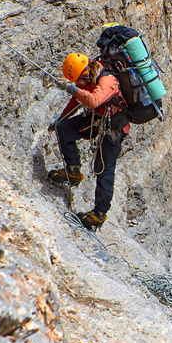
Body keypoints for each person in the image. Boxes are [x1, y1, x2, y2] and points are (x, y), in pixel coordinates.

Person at [48, 51, 130, 230]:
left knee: (104, 167)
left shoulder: (107, 80)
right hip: (99, 119)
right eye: (76, 82)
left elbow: (93, 100)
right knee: (65, 128)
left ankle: (99, 214)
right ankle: (73, 172)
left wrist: (73, 89)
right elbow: (77, 99)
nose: (78, 85)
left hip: (113, 126)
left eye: (79, 81)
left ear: (86, 72)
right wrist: (61, 119)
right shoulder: (87, 77)